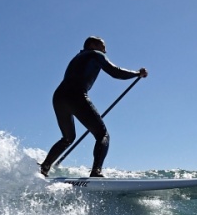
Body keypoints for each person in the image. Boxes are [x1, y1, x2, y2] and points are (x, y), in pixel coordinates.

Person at [40, 36, 148, 178]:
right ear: (92, 45)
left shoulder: (78, 57)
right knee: (102, 135)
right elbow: (115, 72)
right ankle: (96, 172)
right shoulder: (95, 54)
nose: (105, 50)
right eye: (103, 46)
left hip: (59, 97)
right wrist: (137, 74)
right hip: (76, 95)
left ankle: (44, 168)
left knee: (68, 138)